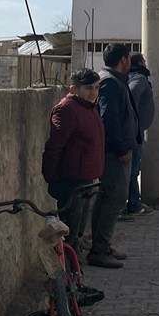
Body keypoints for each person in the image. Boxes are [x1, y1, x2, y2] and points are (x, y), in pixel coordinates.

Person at [41, 68, 104, 254]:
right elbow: (54, 146)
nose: (93, 92)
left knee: (77, 232)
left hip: (84, 179)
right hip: (71, 181)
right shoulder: (67, 109)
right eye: (88, 88)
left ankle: (74, 272)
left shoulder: (89, 107)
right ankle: (66, 274)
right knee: (69, 232)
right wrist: (53, 178)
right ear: (74, 88)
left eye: (96, 88)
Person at [93, 43, 138, 268]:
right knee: (113, 198)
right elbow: (108, 118)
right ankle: (99, 250)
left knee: (110, 198)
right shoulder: (110, 83)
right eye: (128, 58)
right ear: (122, 60)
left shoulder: (114, 80)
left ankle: (103, 245)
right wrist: (120, 149)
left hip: (117, 150)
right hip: (113, 153)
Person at [123, 52, 156, 218]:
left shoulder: (130, 76)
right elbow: (132, 94)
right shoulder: (139, 78)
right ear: (140, 63)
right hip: (134, 132)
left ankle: (132, 202)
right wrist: (133, 118)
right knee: (133, 170)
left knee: (132, 170)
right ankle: (133, 205)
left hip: (135, 129)